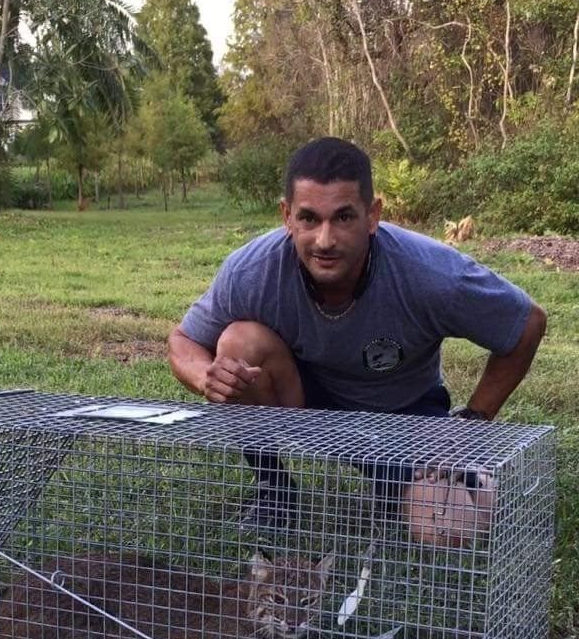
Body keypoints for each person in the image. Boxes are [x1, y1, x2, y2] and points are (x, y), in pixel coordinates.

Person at [168, 137, 547, 542]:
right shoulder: (252, 270)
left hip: (403, 415)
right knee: (237, 343)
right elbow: (183, 342)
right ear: (287, 216)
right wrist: (206, 375)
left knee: (453, 528)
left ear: (373, 215)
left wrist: (473, 421)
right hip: (307, 401)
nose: (325, 240)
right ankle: (273, 487)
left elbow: (527, 323)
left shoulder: (432, 273)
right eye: (309, 218)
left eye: (344, 217)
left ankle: (414, 484)